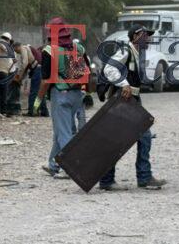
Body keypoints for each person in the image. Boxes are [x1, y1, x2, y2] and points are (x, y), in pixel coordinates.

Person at [97, 25, 167, 191]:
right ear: (136, 36)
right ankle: (142, 177)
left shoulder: (137, 53)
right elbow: (109, 68)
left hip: (132, 100)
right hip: (124, 101)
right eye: (145, 35)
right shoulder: (125, 51)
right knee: (140, 136)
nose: (148, 39)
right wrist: (124, 84)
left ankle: (111, 180)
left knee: (134, 137)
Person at [35, 19, 88, 177]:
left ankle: (68, 167)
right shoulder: (78, 47)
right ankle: (54, 164)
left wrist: (38, 100)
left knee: (64, 133)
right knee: (61, 131)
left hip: (60, 95)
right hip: (77, 94)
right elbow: (86, 71)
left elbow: (46, 80)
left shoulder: (49, 51)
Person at [13, 41, 46, 117]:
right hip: (40, 69)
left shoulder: (23, 48)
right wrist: (20, 78)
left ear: (17, 47)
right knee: (40, 92)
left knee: (33, 92)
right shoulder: (28, 50)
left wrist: (18, 77)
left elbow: (24, 64)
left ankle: (31, 111)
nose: (16, 52)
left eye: (15, 50)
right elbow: (26, 68)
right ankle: (44, 112)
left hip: (37, 70)